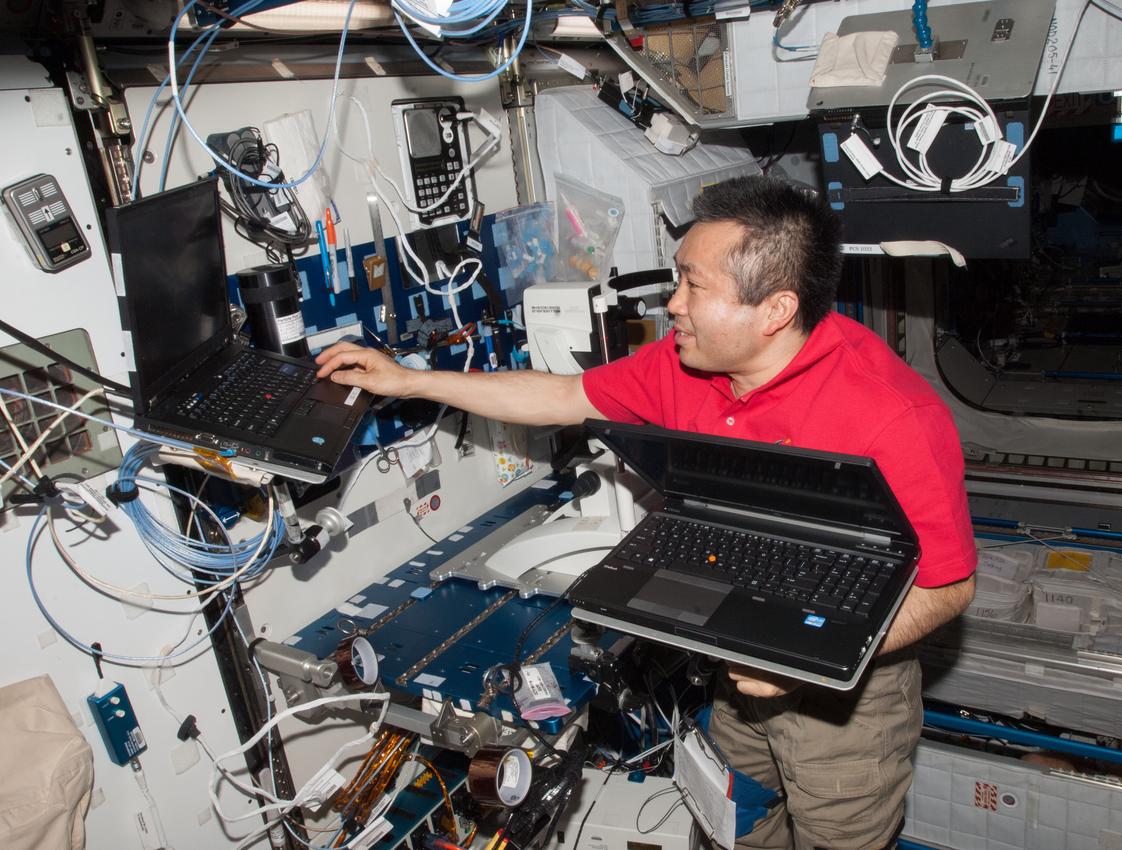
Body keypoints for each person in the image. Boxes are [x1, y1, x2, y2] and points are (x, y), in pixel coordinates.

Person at [316, 176, 977, 850]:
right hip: (736, 665)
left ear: (774, 309)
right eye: (676, 279)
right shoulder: (685, 366)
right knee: (740, 827)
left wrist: (806, 662)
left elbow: (949, 586)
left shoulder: (896, 416)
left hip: (845, 697)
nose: (672, 304)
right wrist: (409, 381)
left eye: (693, 286)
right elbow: (563, 395)